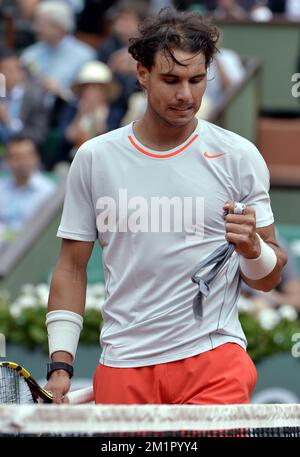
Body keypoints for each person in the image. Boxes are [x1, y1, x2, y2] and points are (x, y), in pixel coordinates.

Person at [45, 8, 287, 405]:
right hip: (123, 363)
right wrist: (60, 366)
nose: (186, 95)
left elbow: (267, 277)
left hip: (214, 359)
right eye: (171, 80)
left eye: (196, 80)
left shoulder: (239, 156)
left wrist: (253, 250)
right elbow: (71, 267)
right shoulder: (94, 158)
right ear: (142, 73)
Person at [0, 135, 56, 245]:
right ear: (7, 160)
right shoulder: (1, 188)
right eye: (16, 157)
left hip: (32, 250)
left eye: (26, 156)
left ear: (36, 157)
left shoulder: (48, 191)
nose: (22, 162)